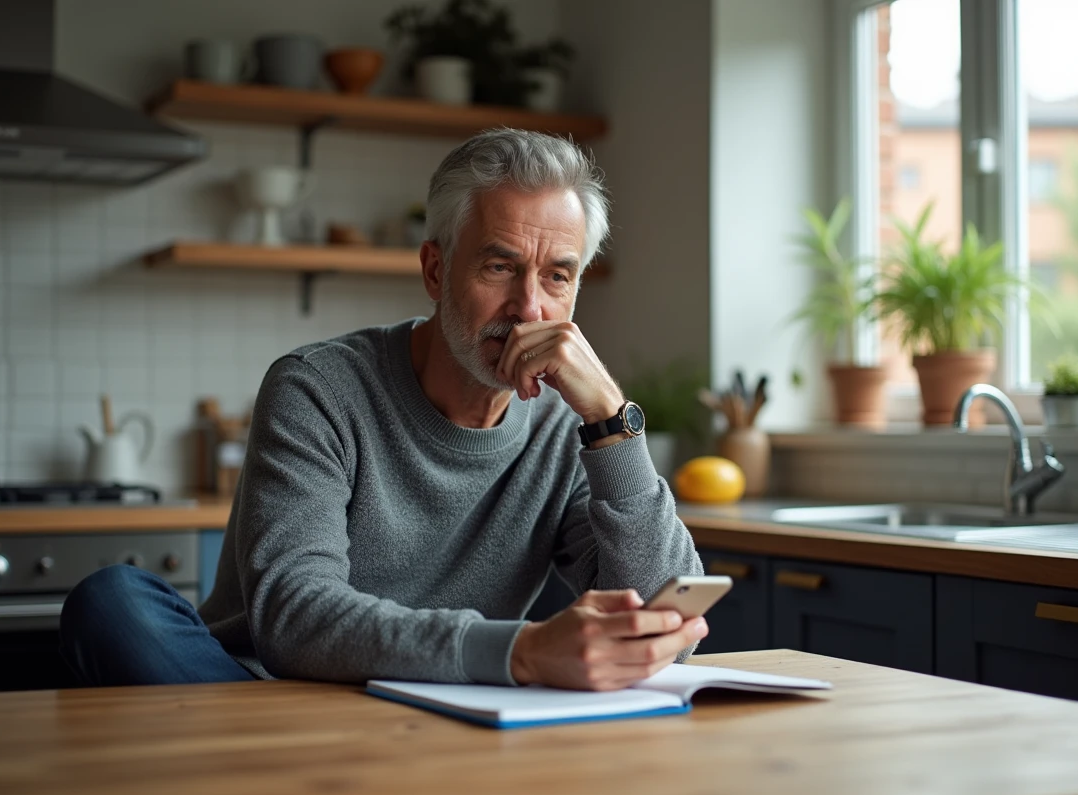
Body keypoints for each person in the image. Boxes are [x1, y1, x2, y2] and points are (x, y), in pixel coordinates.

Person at [60, 129, 706, 691]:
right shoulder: (318, 388)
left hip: (463, 705)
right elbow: (294, 618)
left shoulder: (575, 425)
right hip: (269, 694)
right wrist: (519, 652)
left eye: (557, 276)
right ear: (435, 270)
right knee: (114, 602)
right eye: (499, 266)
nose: (529, 308)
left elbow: (667, 620)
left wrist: (613, 421)